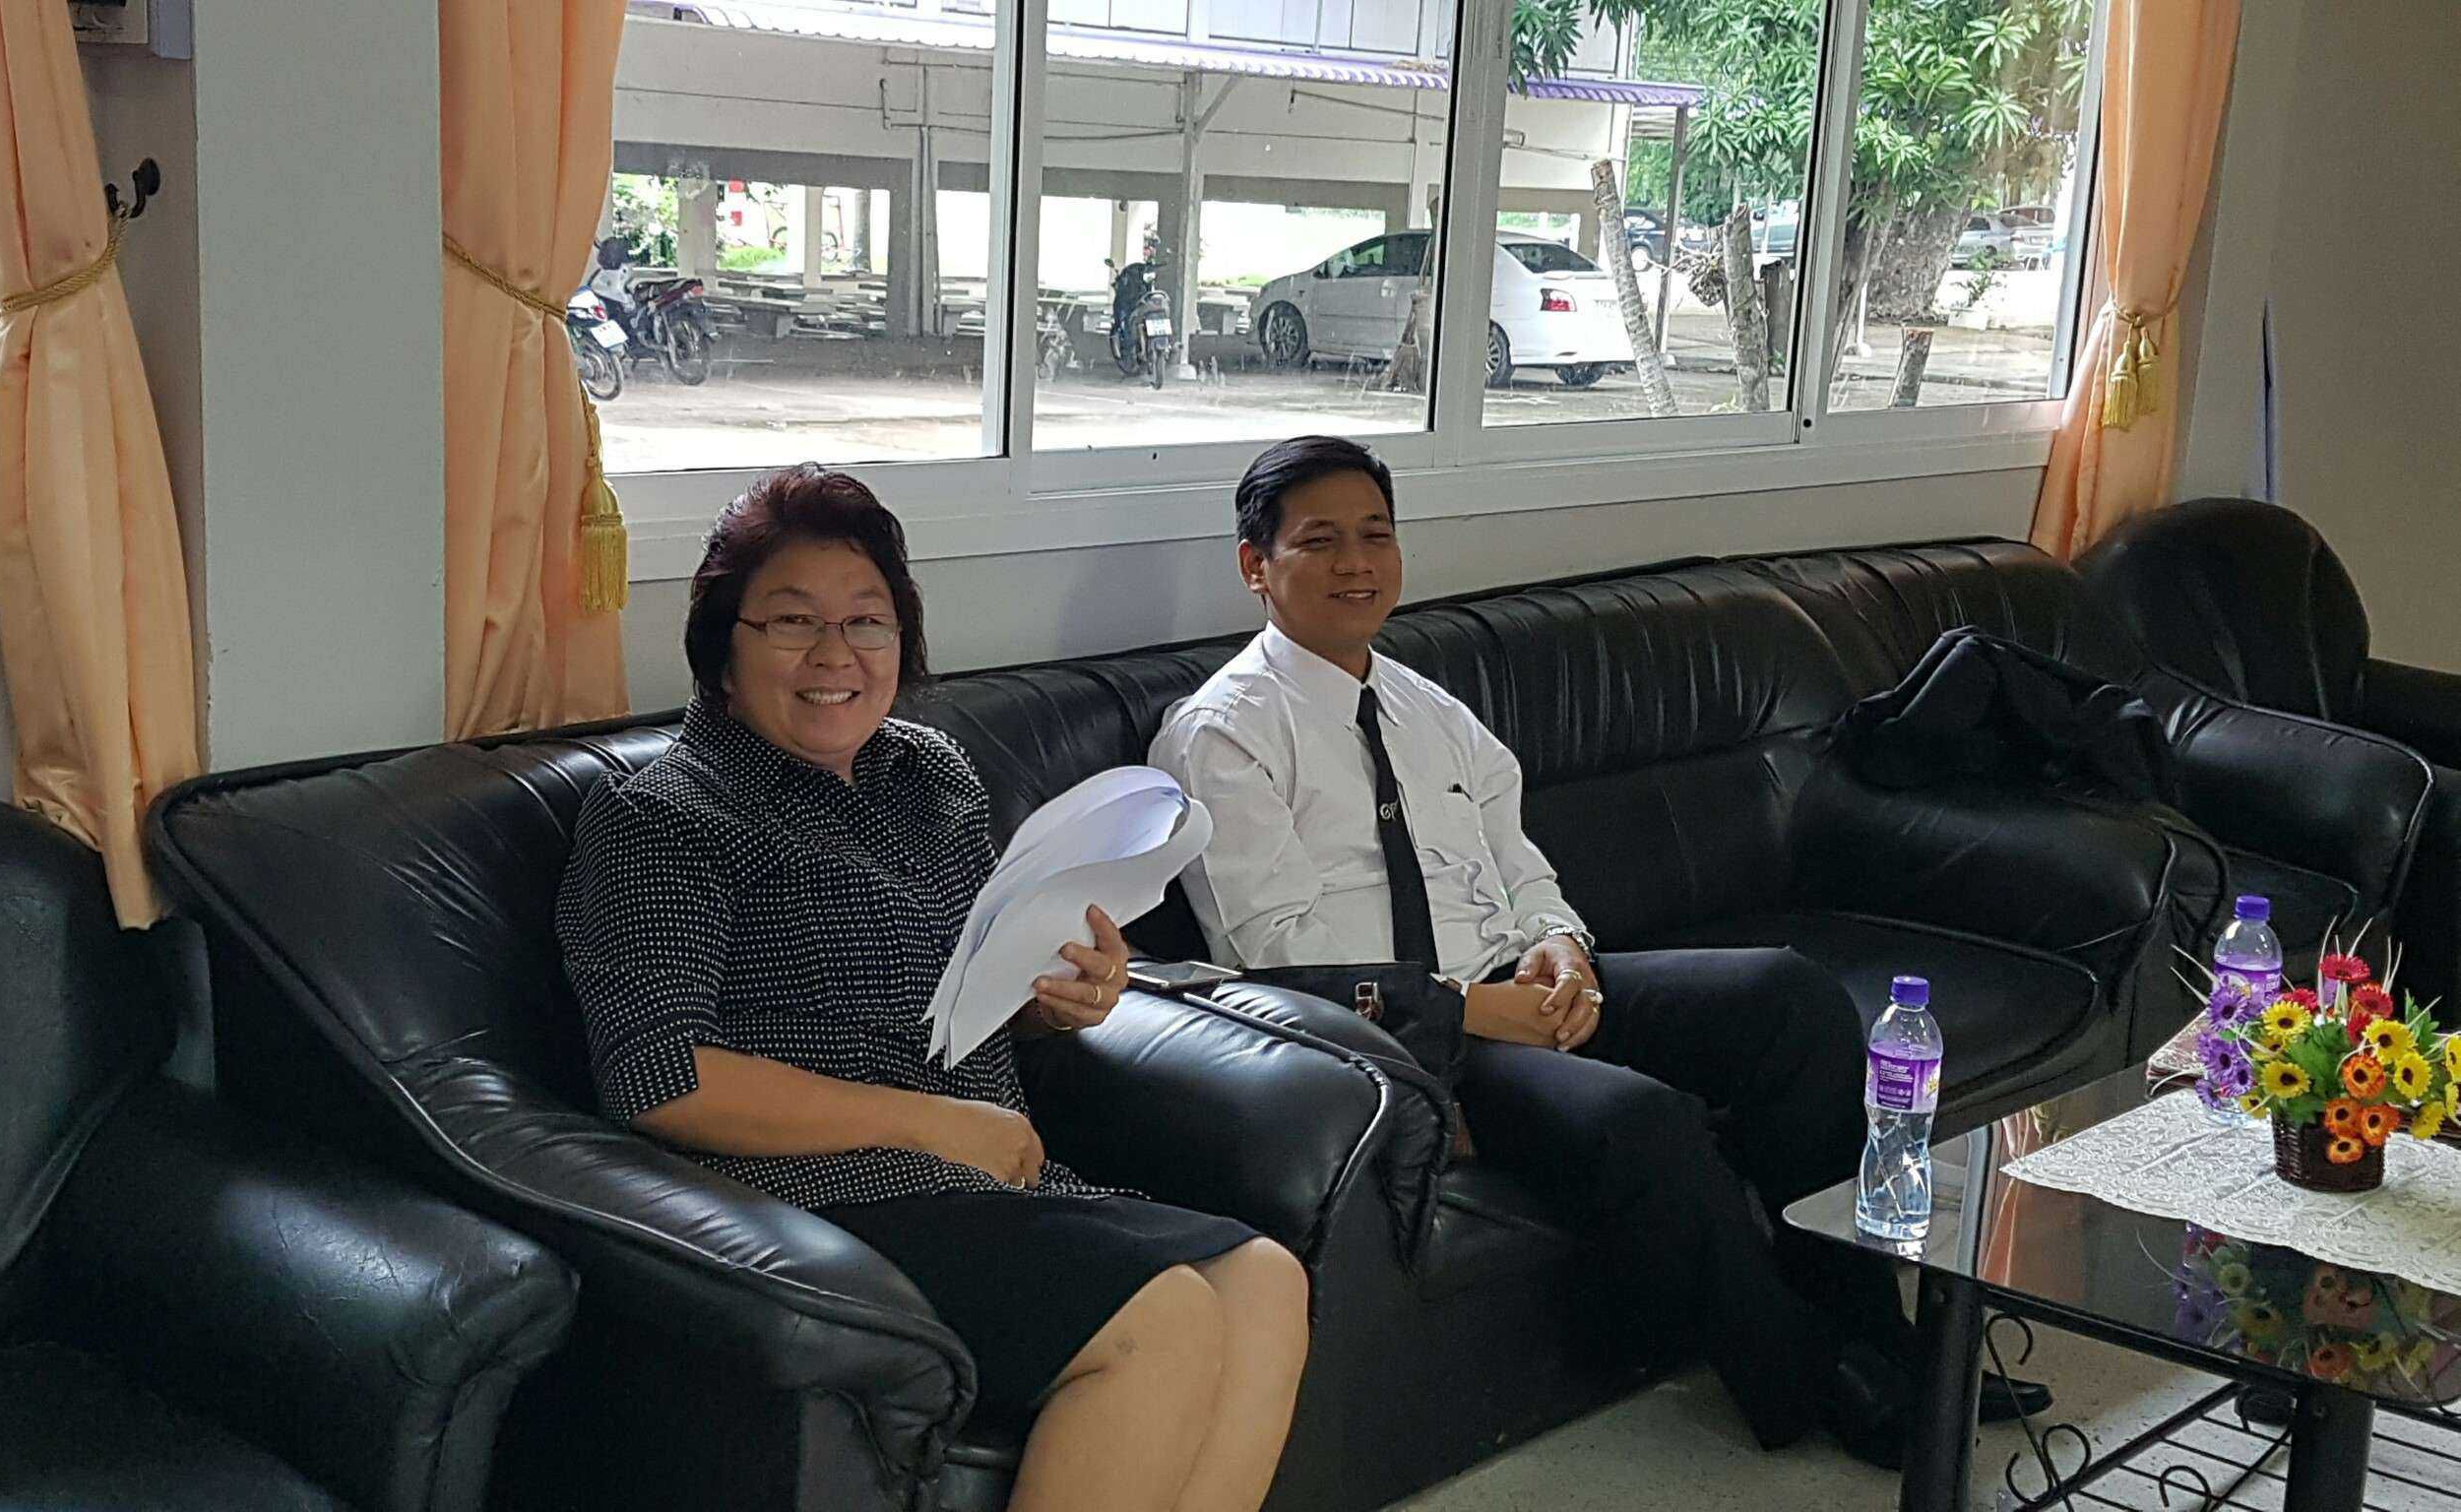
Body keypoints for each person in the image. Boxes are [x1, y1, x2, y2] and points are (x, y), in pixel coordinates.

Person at [1147, 436, 2041, 1471]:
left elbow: (1520, 864)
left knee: (1790, 997)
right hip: (1399, 1041)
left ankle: (1877, 1330)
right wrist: (1469, 1010)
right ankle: (1813, 1380)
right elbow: (1273, 954)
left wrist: (1564, 950)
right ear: (1255, 565)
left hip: (1519, 987)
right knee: (1639, 1122)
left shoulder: (1428, 709)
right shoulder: (1223, 734)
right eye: (1320, 542)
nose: (1357, 563)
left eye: (1376, 535)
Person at [558, 464, 1308, 1512]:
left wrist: (1060, 996)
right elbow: (659, 1078)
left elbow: (976, 991)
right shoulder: (664, 817)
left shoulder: (932, 776)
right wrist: (932, 1124)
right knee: (1162, 1318)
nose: (836, 654)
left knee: (1265, 1279)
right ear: (723, 649)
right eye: (792, 621)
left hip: (984, 1174)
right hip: (821, 1200)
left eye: (867, 621)